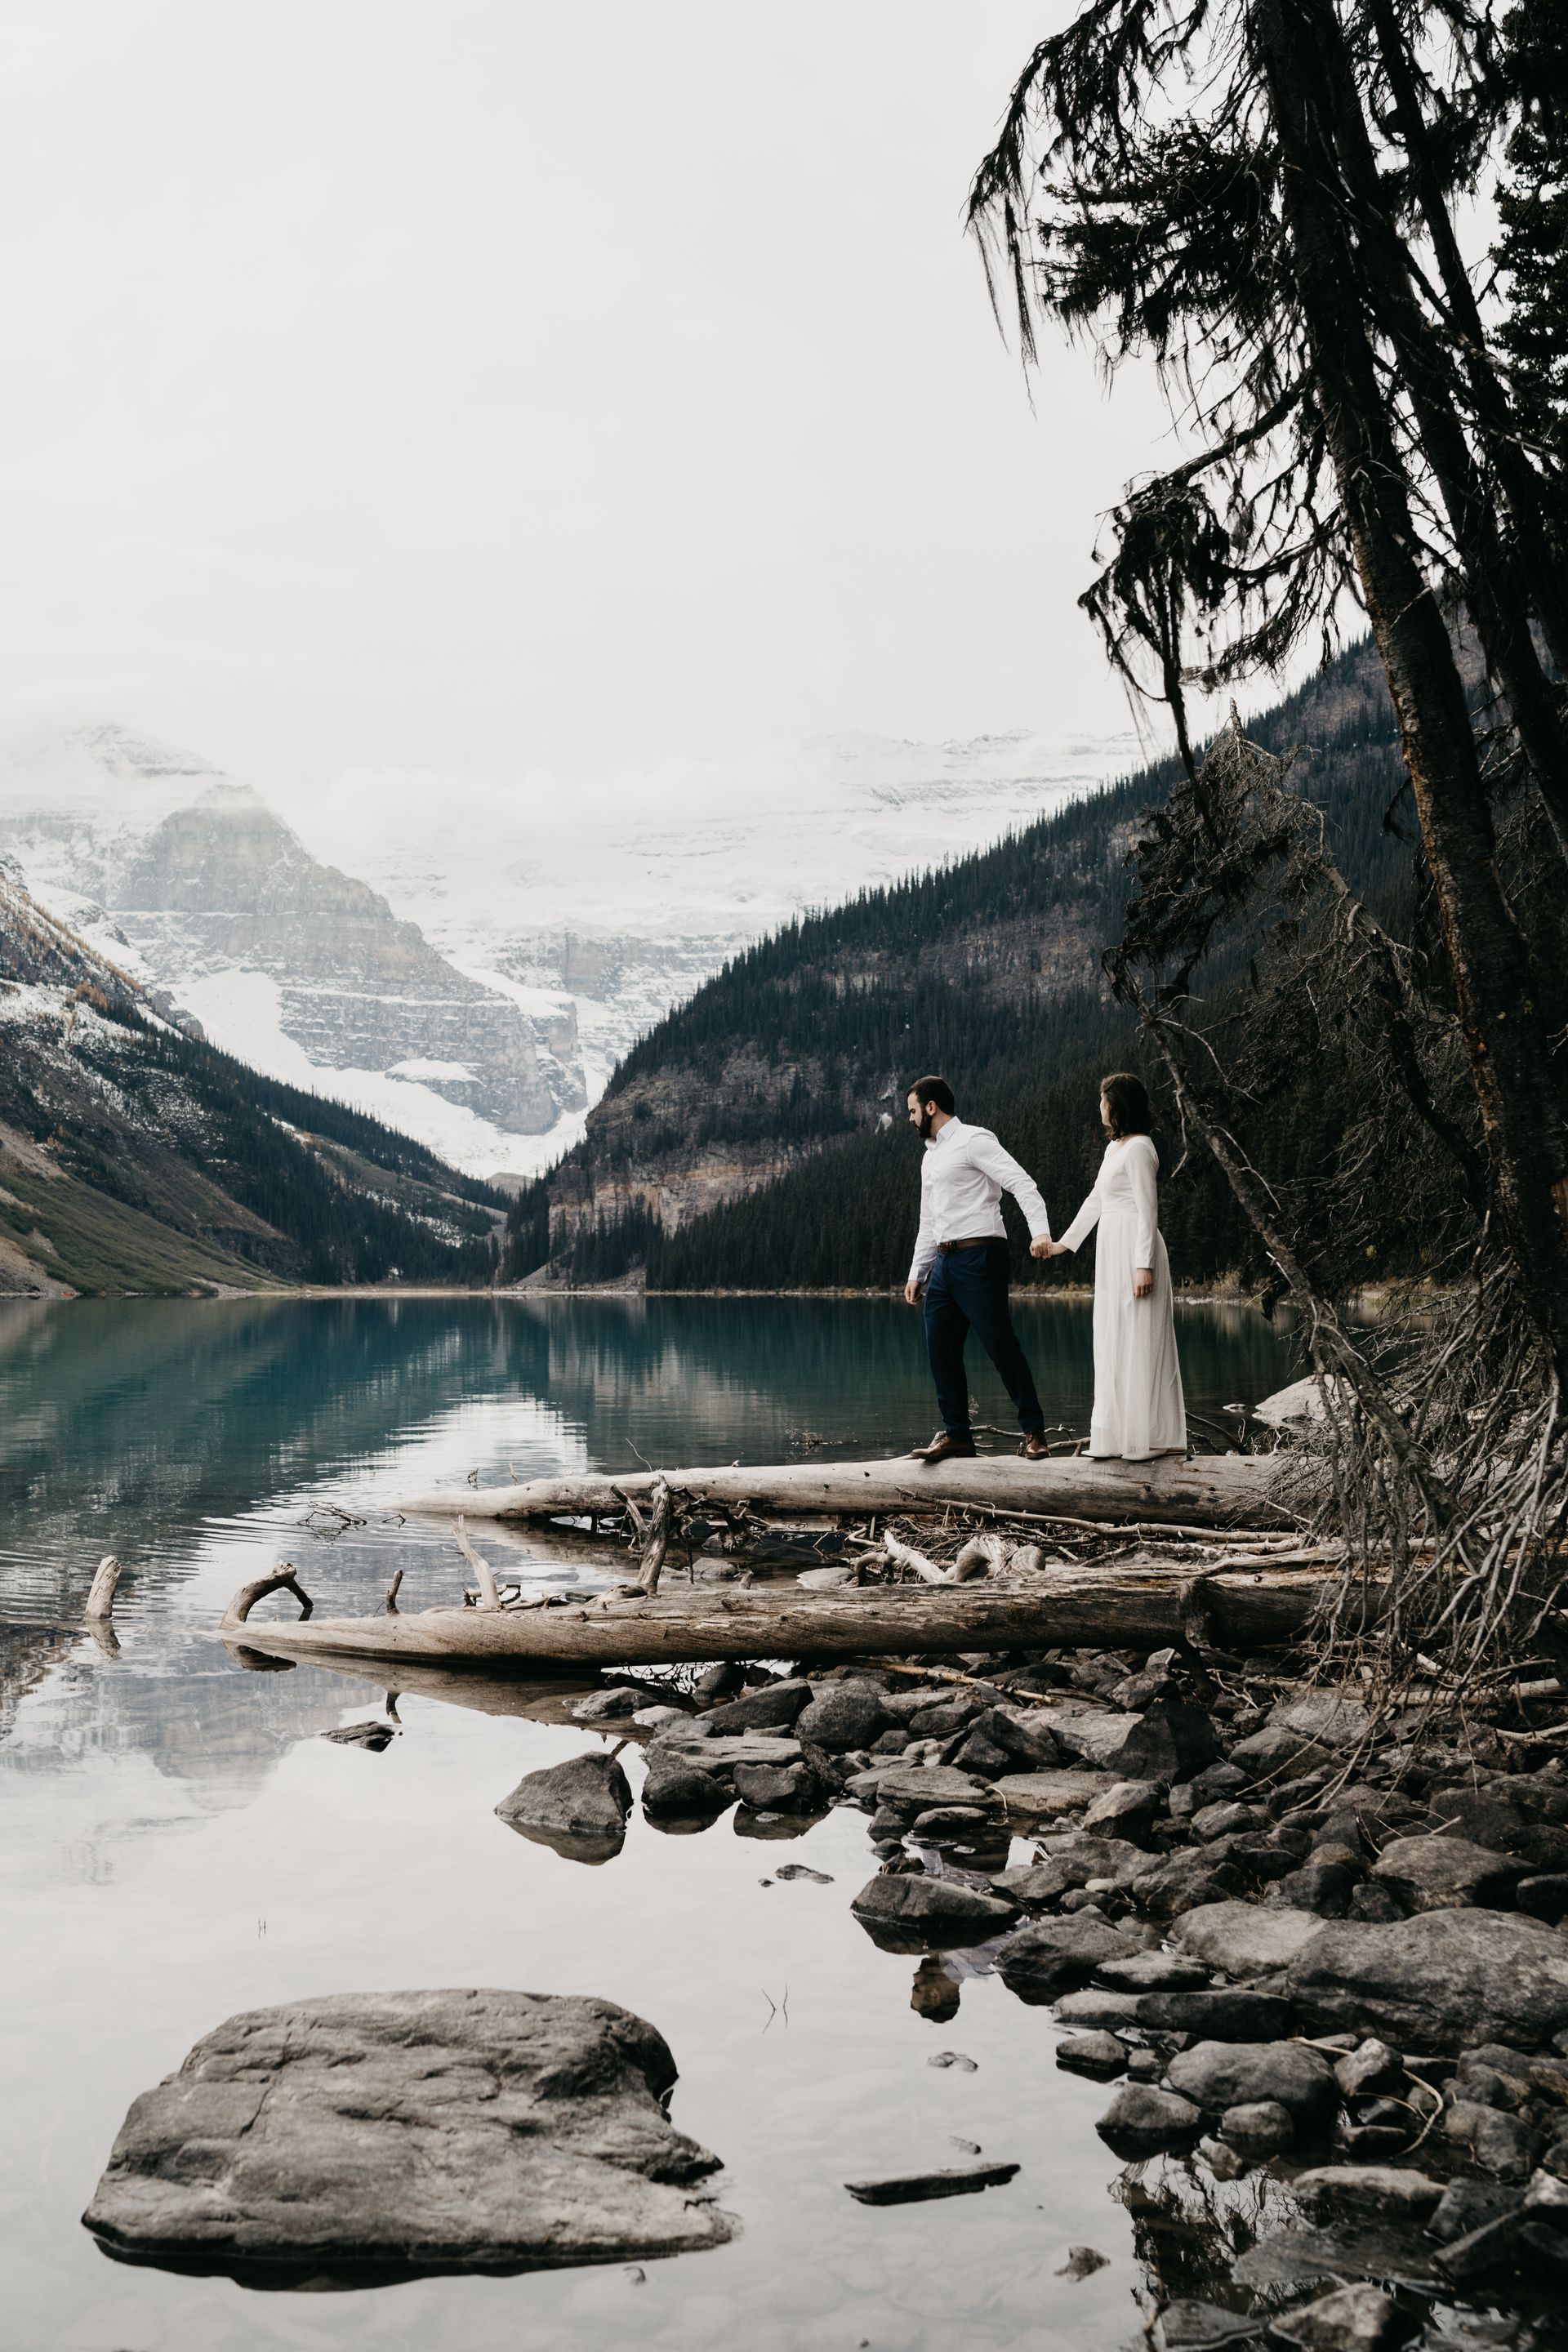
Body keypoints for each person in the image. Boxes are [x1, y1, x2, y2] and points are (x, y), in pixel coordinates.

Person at [902, 1075, 1054, 1463]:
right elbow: (927, 1219)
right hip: (944, 1263)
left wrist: (1040, 1233)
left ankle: (1035, 1433)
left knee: (1000, 1345)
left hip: (981, 1256)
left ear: (931, 1107)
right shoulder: (930, 1156)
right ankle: (958, 1437)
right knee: (940, 1351)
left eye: (913, 1111)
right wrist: (917, 1273)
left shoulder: (974, 1140)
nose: (910, 1119)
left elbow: (1023, 1184)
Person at [1037, 1071, 1187, 1461]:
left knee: (1140, 1337)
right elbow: (1095, 1201)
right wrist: (1062, 1245)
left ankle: (1147, 1439)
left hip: (1135, 1249)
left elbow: (1147, 1208)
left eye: (1103, 1101)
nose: (1099, 1107)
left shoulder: (1140, 1148)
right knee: (1112, 1336)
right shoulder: (1114, 1150)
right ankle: (1115, 1438)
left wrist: (1144, 1265)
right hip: (1111, 1247)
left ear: (1118, 1105)